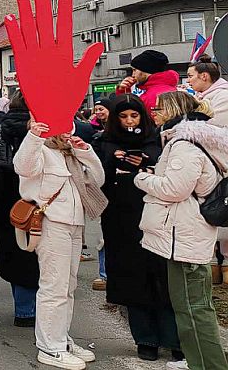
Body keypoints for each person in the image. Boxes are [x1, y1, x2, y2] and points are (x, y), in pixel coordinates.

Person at [136, 91, 228, 370]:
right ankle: (198, 360)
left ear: (174, 110)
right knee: (190, 307)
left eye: (159, 108)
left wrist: (144, 178)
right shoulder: (194, 140)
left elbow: (174, 189)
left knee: (193, 309)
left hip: (184, 235)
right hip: (185, 234)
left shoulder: (185, 145)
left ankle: (209, 365)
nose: (154, 112)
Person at [96, 94, 182, 363]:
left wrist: (146, 165)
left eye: (134, 116)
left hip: (156, 217)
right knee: (131, 277)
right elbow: (96, 179)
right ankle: (145, 338)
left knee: (164, 279)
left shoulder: (157, 140)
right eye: (123, 116)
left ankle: (173, 338)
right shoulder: (104, 142)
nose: (129, 121)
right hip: (121, 219)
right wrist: (114, 163)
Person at [14, 120, 106, 370]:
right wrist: (34, 135)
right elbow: (22, 166)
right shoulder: (39, 148)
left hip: (75, 223)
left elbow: (98, 179)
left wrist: (84, 150)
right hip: (52, 223)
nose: (68, 131)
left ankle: (61, 339)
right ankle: (49, 346)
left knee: (68, 285)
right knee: (54, 285)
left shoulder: (70, 152)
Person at [0, 90, 39, 328]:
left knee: (14, 249)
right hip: (34, 195)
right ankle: (35, 309)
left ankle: (22, 308)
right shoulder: (38, 129)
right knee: (37, 252)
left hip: (6, 195)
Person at [188, 54, 228, 127]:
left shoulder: (224, 97)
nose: (187, 81)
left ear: (204, 76)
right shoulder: (198, 96)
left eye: (190, 76)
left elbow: (220, 127)